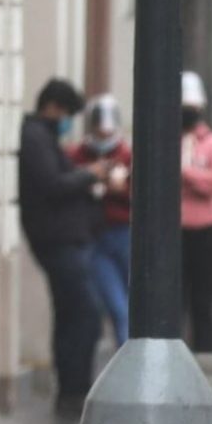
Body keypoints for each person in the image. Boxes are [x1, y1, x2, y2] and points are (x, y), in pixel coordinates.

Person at [18, 78, 103, 422]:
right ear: (53, 106)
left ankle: (74, 388)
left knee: (76, 315)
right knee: (82, 315)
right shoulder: (36, 138)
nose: (67, 120)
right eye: (67, 113)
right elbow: (52, 185)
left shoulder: (45, 138)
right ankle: (72, 389)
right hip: (57, 242)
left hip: (67, 239)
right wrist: (90, 175)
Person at [68, 95, 132, 349]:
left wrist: (119, 188)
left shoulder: (127, 155)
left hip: (124, 232)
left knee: (132, 301)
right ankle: (124, 351)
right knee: (116, 306)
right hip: (95, 234)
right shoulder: (78, 155)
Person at [179, 72, 212, 353]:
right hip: (176, 230)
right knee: (176, 300)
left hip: (207, 228)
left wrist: (187, 174)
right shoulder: (166, 140)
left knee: (203, 299)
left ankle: (206, 354)